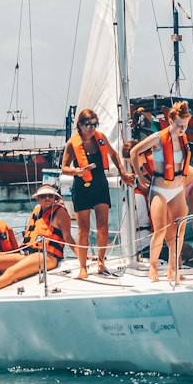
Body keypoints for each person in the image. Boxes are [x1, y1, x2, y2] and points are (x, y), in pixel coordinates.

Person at [0, 184, 72, 297]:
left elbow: (67, 237)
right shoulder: (38, 211)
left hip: (48, 257)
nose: (47, 198)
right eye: (43, 196)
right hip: (30, 255)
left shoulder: (60, 212)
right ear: (38, 198)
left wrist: (82, 259)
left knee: (11, 271)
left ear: (55, 198)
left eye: (50, 196)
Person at [61, 107, 134, 280]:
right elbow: (64, 167)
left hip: (100, 185)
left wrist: (122, 172)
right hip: (82, 187)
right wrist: (77, 171)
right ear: (80, 125)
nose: (92, 128)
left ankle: (101, 261)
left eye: (95, 124)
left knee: (103, 227)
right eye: (88, 125)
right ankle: (82, 267)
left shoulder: (100, 138)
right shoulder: (72, 143)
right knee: (83, 229)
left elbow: (114, 155)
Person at [130, 99, 193, 283]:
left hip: (177, 190)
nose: (182, 130)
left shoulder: (183, 138)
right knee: (160, 230)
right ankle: (153, 266)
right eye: (179, 126)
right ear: (171, 121)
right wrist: (140, 177)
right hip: (159, 189)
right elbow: (134, 152)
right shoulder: (158, 137)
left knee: (178, 230)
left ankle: (172, 269)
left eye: (185, 126)